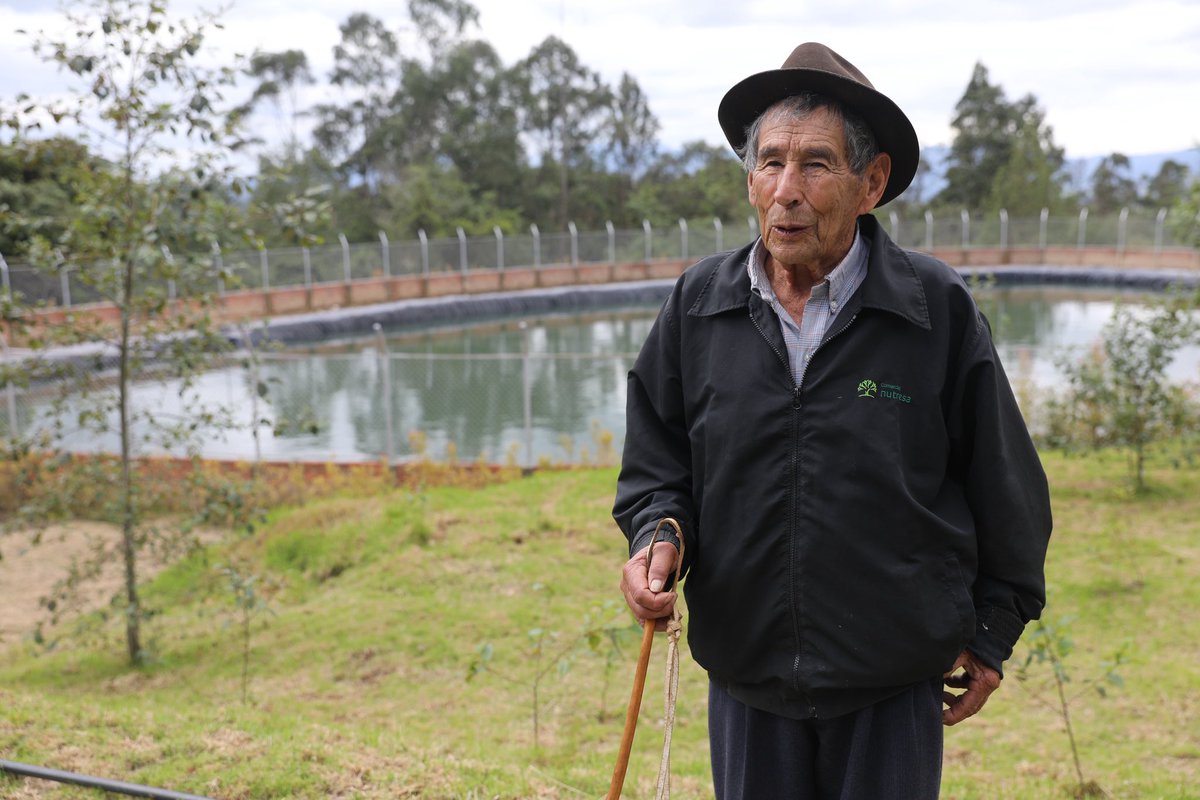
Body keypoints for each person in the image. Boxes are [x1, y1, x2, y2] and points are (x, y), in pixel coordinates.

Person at [612, 42, 1052, 799]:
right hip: (748, 679)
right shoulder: (698, 305)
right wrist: (658, 535)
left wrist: (991, 633)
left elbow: (1004, 481)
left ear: (871, 182)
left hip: (892, 683)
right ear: (749, 178)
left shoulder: (933, 309)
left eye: (815, 165)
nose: (787, 191)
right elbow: (658, 466)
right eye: (770, 163)